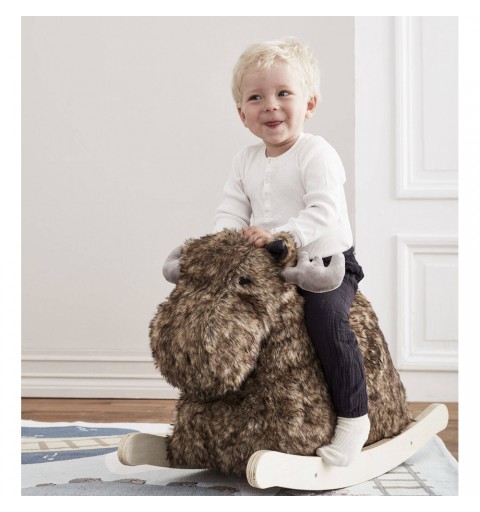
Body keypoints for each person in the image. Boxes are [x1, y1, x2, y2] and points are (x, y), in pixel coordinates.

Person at [212, 37, 370, 467]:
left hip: (325, 265)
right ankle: (236, 420)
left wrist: (283, 237)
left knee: (326, 321)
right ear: (242, 114)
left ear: (309, 104)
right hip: (273, 268)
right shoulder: (245, 160)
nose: (270, 106)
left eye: (284, 93)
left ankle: (354, 418)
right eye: (256, 97)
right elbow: (231, 210)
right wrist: (221, 246)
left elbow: (324, 210)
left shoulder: (315, 153)